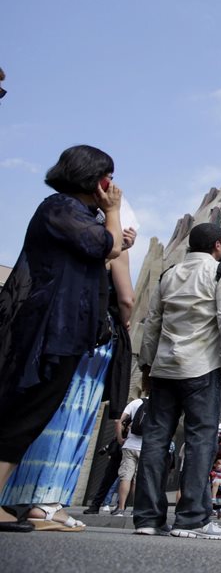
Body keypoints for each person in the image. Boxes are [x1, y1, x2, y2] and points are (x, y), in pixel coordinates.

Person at [0, 146, 124, 532]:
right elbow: (108, 246)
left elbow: (103, 249)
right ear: (91, 178)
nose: (112, 185)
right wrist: (114, 213)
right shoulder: (61, 208)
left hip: (60, 329)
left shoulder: (75, 214)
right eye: (107, 176)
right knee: (25, 410)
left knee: (32, 411)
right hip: (48, 329)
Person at [133, 222, 221, 540]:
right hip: (201, 368)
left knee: (155, 442)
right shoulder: (219, 272)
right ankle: (191, 520)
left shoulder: (168, 274)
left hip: (164, 370)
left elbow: (153, 322)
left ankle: (147, 518)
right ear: (218, 245)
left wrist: (146, 364)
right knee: (200, 443)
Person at [112, 392, 146, 517]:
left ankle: (121, 508)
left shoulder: (135, 402)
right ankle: (135, 509)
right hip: (146, 448)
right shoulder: (158, 404)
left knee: (126, 477)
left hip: (130, 445)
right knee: (138, 479)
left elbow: (118, 421)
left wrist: (120, 439)